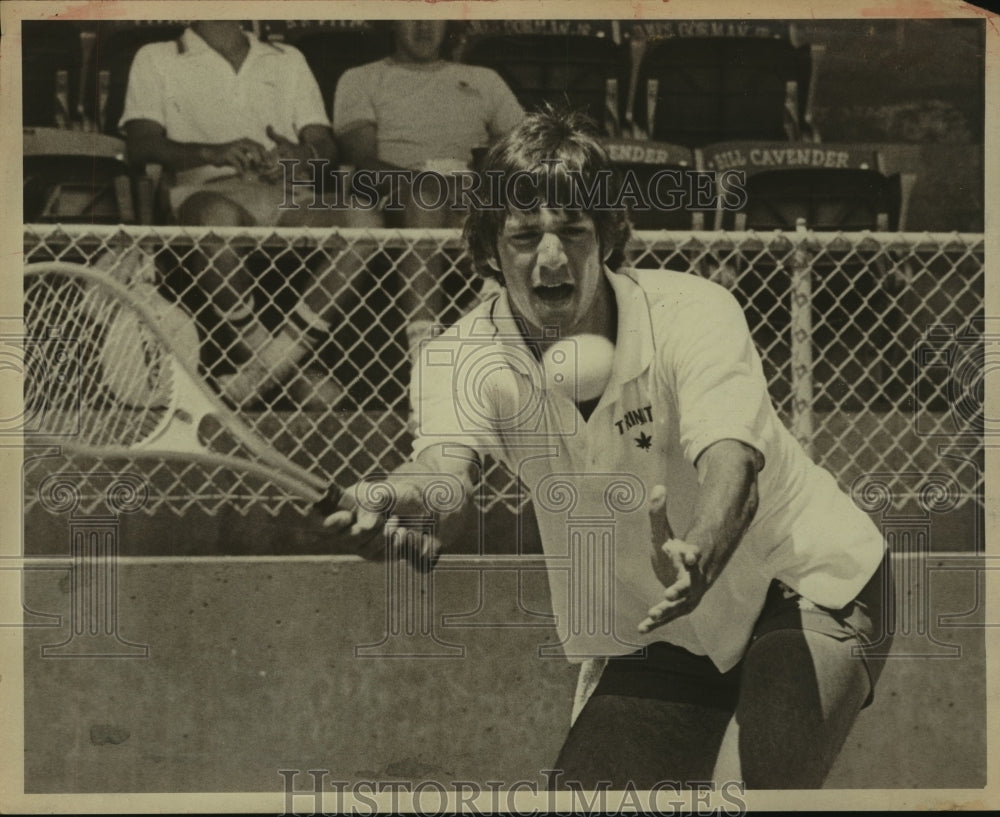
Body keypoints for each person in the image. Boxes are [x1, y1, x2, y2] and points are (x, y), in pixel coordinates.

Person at [325, 108, 892, 789]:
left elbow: (731, 461)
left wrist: (701, 549)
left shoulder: (695, 311)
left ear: (610, 237)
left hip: (804, 585)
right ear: (486, 251)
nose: (553, 256)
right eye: (526, 235)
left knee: (747, 800)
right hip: (665, 632)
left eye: (573, 230)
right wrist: (397, 498)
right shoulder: (457, 358)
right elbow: (443, 472)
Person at [120, 21, 354, 408]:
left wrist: (301, 156)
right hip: (205, 193)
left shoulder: (287, 58)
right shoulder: (156, 56)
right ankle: (288, 371)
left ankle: (265, 370)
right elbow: (140, 145)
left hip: (285, 195)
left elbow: (325, 147)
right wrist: (211, 153)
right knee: (217, 218)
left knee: (363, 221)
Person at [333, 19, 525, 360]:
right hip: (396, 191)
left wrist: (480, 179)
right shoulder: (360, 78)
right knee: (428, 193)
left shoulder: (485, 80)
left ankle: (480, 313)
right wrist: (427, 182)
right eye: (410, 14)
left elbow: (525, 148)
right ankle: (423, 355)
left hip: (469, 195)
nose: (424, 26)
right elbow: (361, 160)